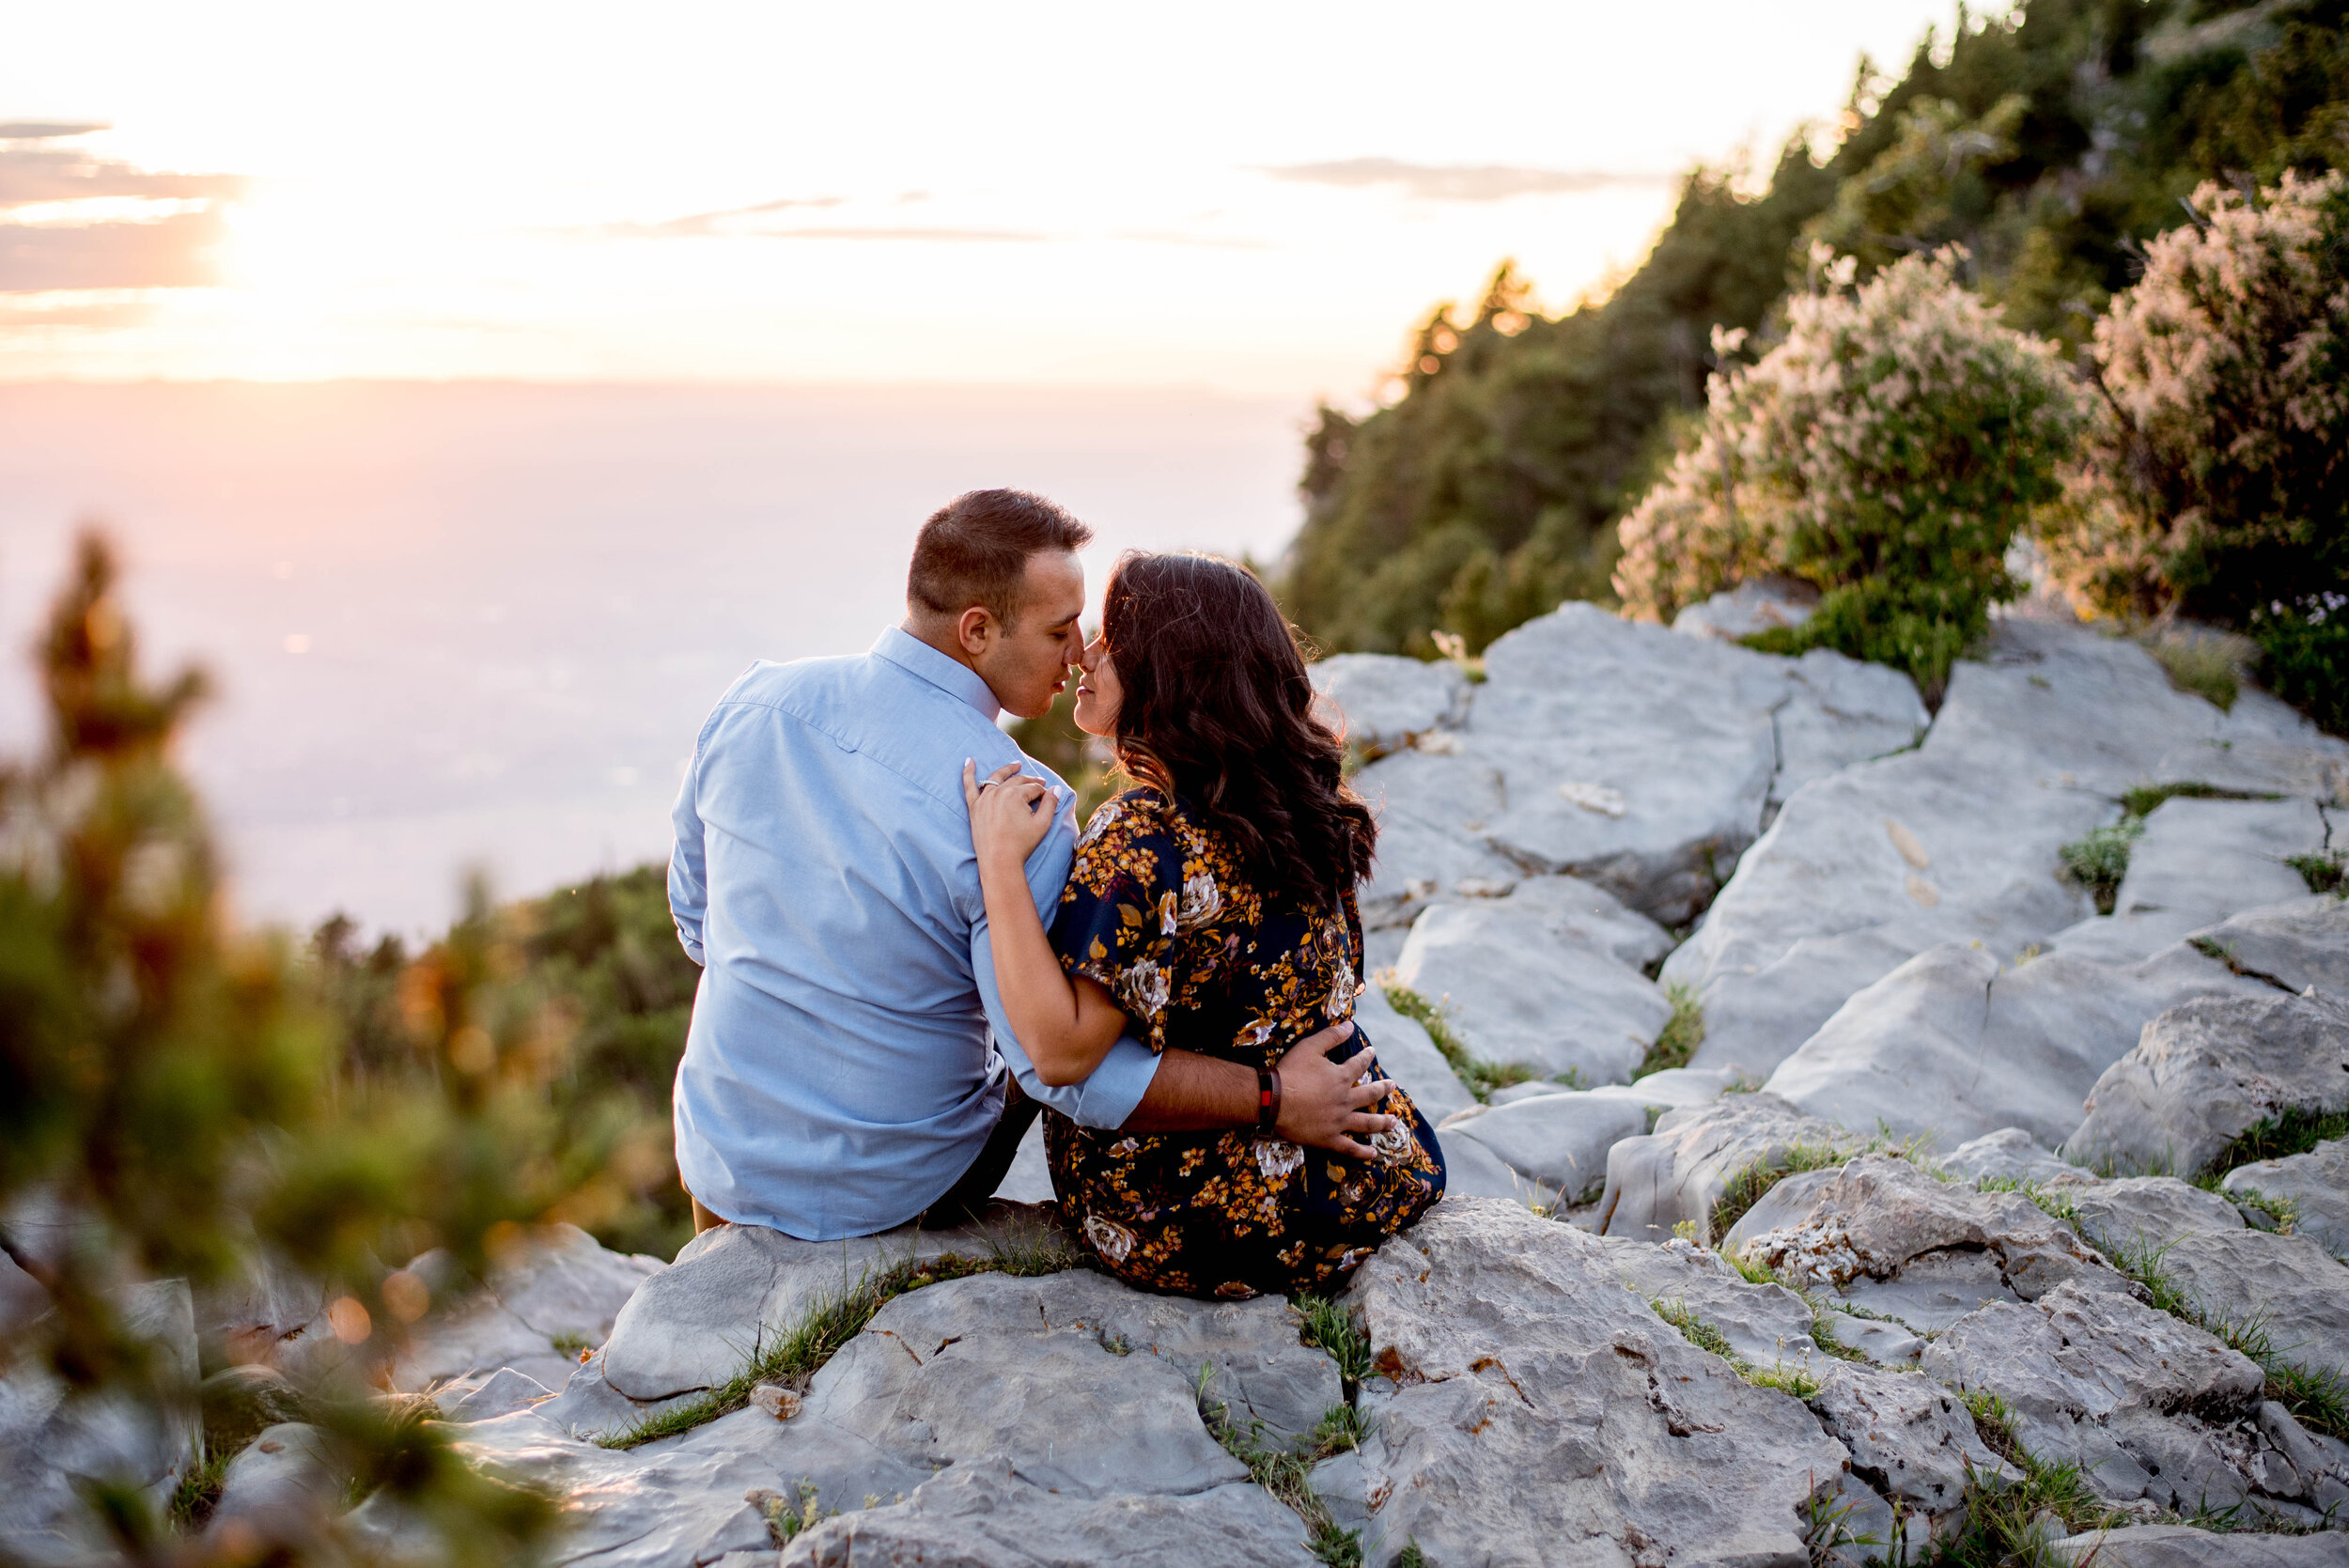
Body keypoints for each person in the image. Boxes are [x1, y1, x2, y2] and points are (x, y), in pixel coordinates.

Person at [666, 489, 1394, 1242]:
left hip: (723, 1159)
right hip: (889, 1191)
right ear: (977, 630)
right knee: (1026, 1038)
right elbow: (1057, 1065)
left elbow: (696, 921)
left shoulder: (753, 701)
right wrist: (1272, 1095)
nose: (1078, 649)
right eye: (1059, 629)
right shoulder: (1021, 802)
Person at [965, 550, 1445, 1298]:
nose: (1086, 655)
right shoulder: (1300, 816)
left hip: (1181, 1211)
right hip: (1343, 1184)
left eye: (1113, 641)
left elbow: (1060, 1053)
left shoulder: (1141, 836)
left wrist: (998, 862)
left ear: (1169, 670)